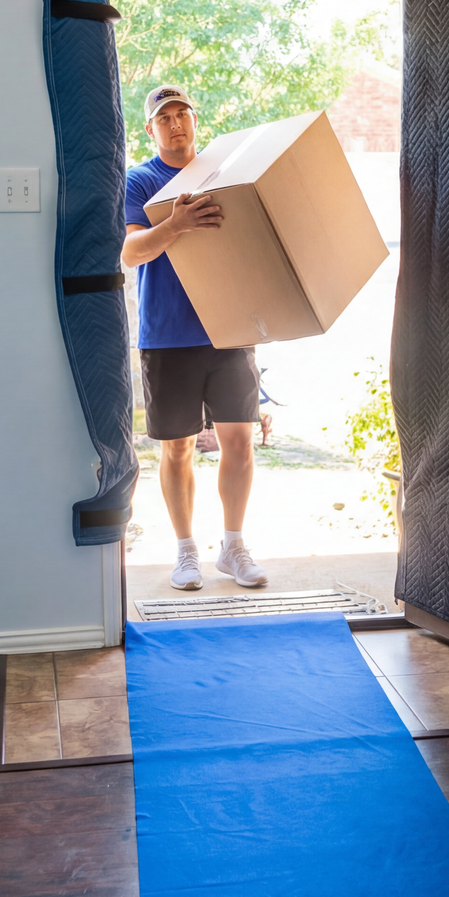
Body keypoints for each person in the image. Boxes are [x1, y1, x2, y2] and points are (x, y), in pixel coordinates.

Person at [122, 84, 269, 591]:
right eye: (164, 118)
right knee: (178, 449)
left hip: (228, 327)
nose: (176, 123)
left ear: (195, 119)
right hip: (167, 335)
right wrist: (178, 224)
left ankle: (233, 547)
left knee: (239, 441)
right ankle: (186, 553)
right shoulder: (139, 180)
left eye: (183, 113)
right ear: (151, 129)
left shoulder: (222, 174)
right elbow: (132, 252)